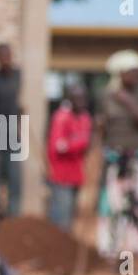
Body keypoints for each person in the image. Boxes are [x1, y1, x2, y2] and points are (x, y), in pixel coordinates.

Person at [96, 50, 138, 272]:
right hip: (116, 163)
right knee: (117, 211)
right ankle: (123, 265)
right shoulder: (107, 96)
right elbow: (103, 130)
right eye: (132, 71)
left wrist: (126, 100)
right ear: (120, 73)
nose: (137, 75)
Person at [45, 81, 93, 233]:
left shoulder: (86, 118)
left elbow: (85, 146)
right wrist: (80, 143)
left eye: (83, 98)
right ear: (70, 100)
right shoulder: (61, 118)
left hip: (76, 174)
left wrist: (77, 143)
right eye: (77, 98)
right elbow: (59, 146)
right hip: (61, 176)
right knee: (61, 218)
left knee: (71, 216)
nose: (80, 102)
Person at [0, 42, 23, 217]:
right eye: (2, 56)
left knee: (15, 181)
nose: (5, 59)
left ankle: (13, 219)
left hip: (13, 135)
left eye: (8, 55)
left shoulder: (18, 76)